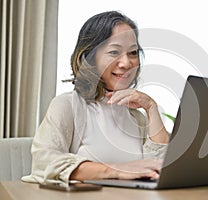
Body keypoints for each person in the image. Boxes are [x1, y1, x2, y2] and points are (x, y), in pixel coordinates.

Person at [22, 10, 169, 184]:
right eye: (114, 52)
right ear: (90, 57)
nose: (126, 63)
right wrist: (115, 171)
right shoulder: (68, 105)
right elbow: (45, 163)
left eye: (133, 53)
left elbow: (164, 167)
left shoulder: (136, 117)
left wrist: (151, 107)